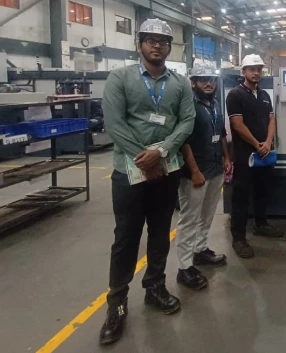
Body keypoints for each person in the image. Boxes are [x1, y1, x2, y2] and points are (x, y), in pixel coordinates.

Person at [99, 19, 195, 345]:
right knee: (126, 237)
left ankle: (155, 286)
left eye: (163, 41)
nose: (157, 45)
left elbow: (186, 121)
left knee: (160, 232)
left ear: (169, 47)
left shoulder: (179, 84)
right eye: (150, 40)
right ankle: (117, 304)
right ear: (139, 44)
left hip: (166, 171)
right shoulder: (120, 78)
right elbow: (114, 123)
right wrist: (143, 158)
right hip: (129, 173)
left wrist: (162, 151)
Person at [175, 66, 232, 291]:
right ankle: (184, 267)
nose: (208, 83)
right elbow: (184, 140)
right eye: (203, 80)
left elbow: (222, 135)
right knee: (189, 219)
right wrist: (194, 171)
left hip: (215, 168)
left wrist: (227, 158)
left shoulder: (215, 105)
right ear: (193, 83)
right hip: (195, 173)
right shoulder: (188, 106)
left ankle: (200, 250)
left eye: (212, 80)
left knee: (207, 214)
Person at [226, 54, 283, 259]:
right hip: (244, 156)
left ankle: (260, 224)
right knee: (240, 197)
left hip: (264, 154)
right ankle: (238, 238)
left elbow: (271, 119)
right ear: (243, 72)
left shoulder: (265, 95)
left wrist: (267, 142)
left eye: (259, 69)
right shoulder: (235, 95)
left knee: (262, 191)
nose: (256, 72)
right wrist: (257, 144)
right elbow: (237, 125)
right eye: (252, 69)